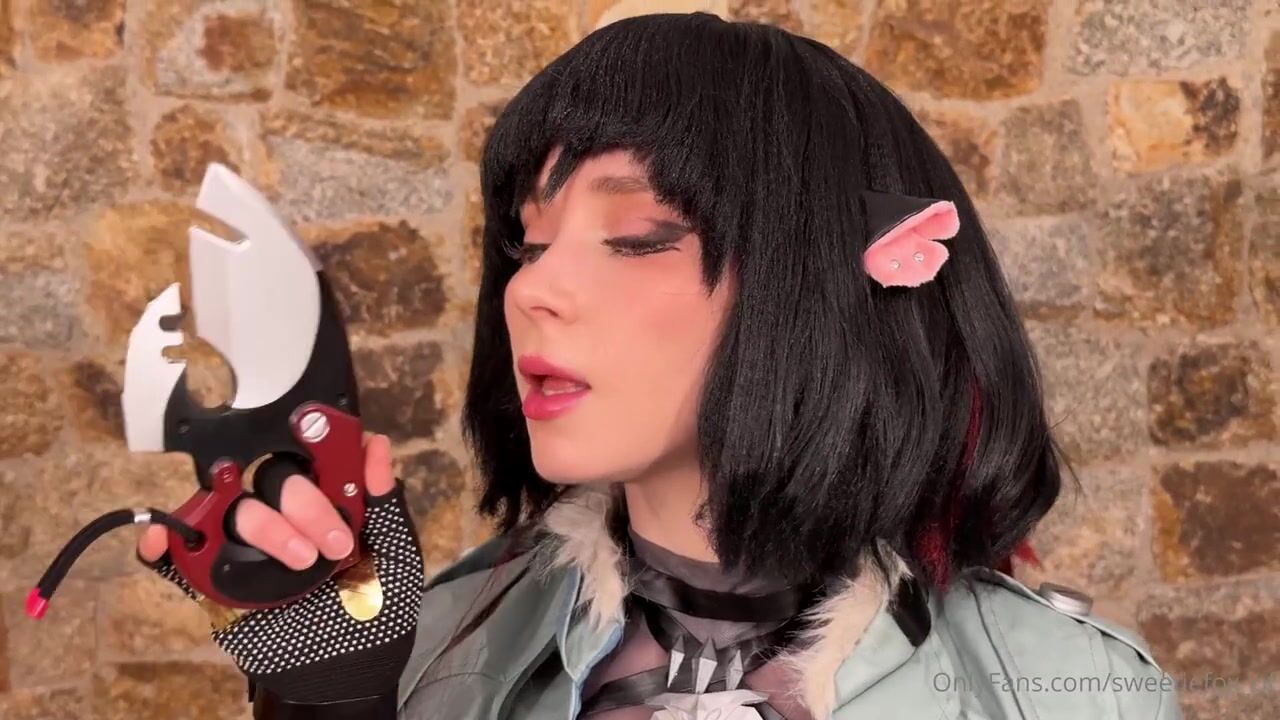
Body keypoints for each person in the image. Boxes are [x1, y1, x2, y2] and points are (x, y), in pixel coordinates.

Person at [137, 11, 1182, 720]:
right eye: (526, 243)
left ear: (818, 286)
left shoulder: (1071, 696)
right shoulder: (431, 654)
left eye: (636, 237)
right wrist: (329, 698)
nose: (531, 291)